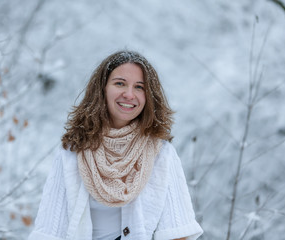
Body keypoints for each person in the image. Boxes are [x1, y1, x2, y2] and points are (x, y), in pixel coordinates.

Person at [28, 50, 203, 240]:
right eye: (120, 83)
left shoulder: (162, 154)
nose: (129, 94)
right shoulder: (72, 152)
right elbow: (49, 231)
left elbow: (177, 232)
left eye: (139, 87)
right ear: (102, 89)